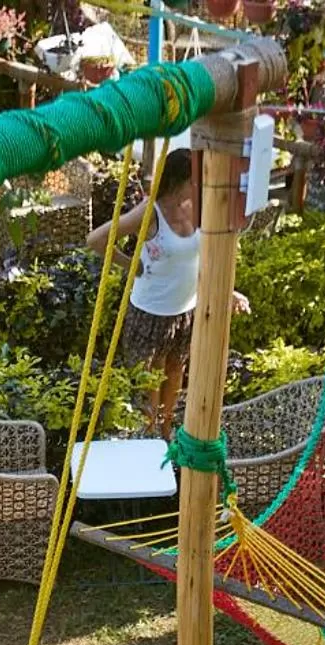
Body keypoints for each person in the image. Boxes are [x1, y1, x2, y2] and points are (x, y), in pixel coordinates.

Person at [88, 149, 249, 437]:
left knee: (176, 372)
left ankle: (167, 432)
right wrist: (130, 265)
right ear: (178, 181)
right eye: (195, 180)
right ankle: (151, 438)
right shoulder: (151, 212)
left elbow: (204, 260)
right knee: (151, 380)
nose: (200, 185)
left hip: (185, 310)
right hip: (151, 312)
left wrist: (229, 292)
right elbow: (96, 239)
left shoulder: (199, 207)